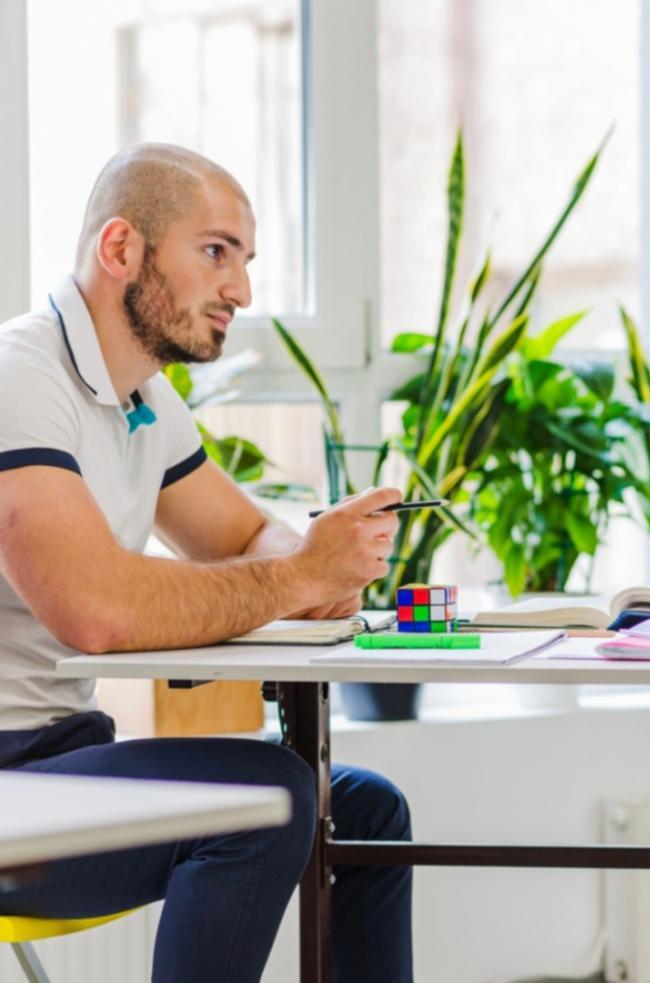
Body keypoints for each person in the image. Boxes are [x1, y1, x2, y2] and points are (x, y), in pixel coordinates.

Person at [0, 144, 413, 982]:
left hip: (59, 756)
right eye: (216, 252)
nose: (242, 291)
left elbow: (236, 538)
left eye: (247, 260)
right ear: (122, 250)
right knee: (269, 802)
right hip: (13, 781)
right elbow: (94, 609)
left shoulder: (144, 397)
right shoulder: (20, 377)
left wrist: (317, 564)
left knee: (361, 808)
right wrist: (297, 579)